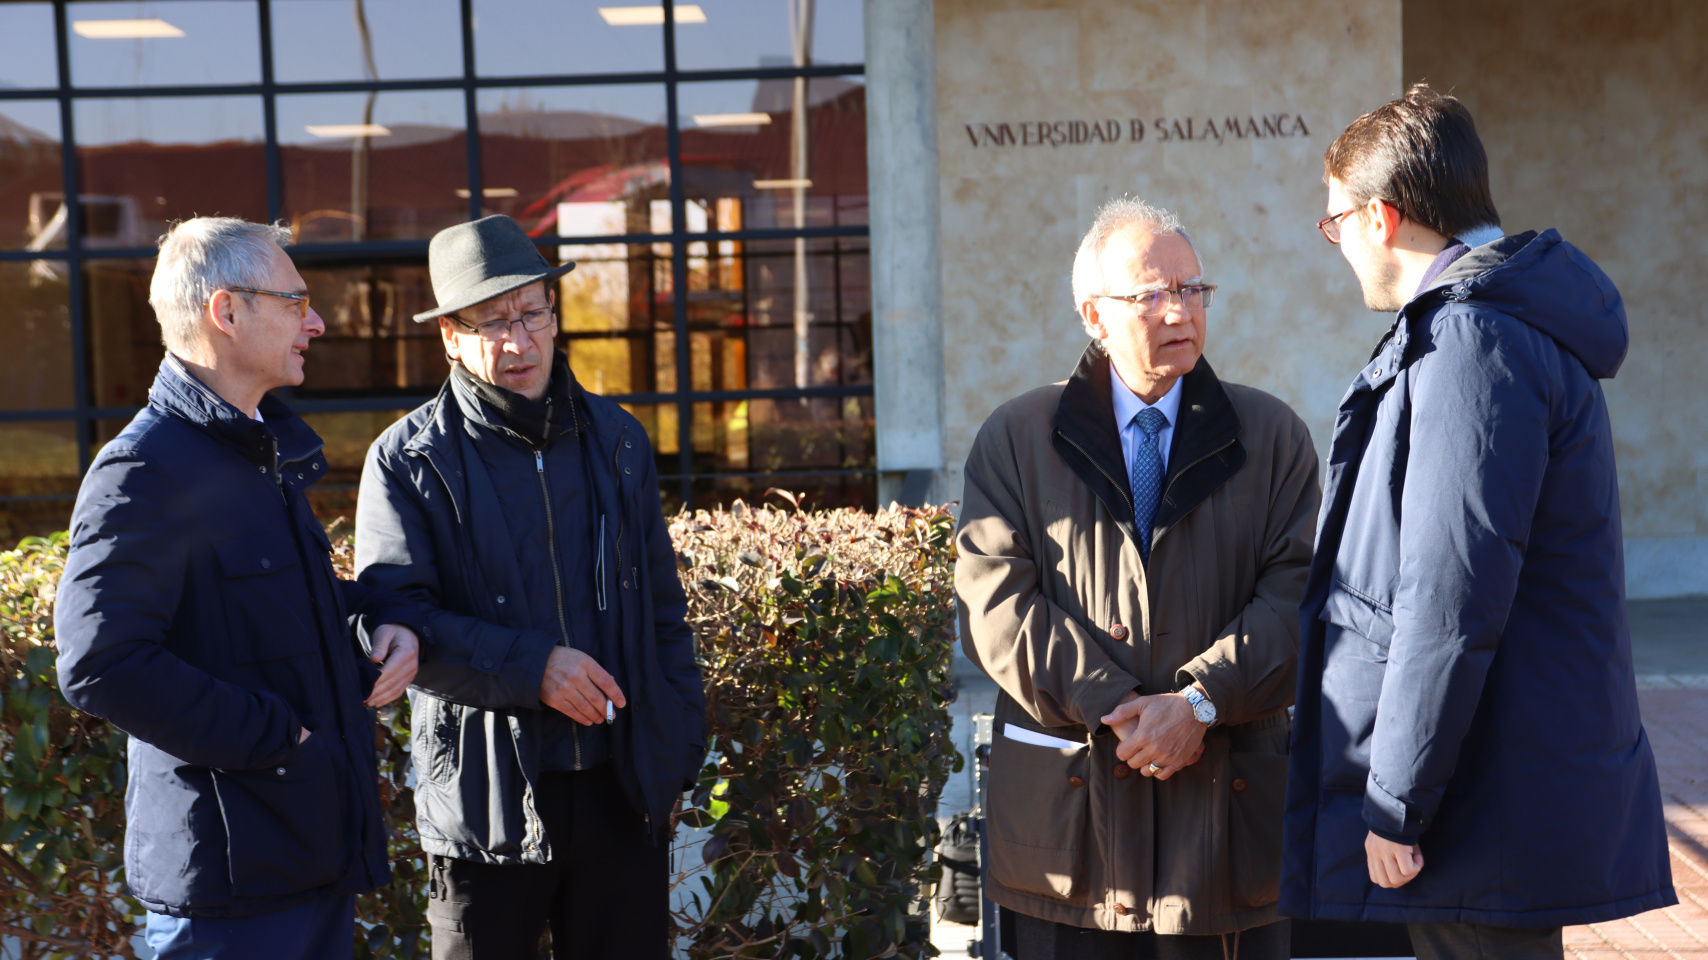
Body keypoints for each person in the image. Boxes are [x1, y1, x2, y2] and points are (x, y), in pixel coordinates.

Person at [1281, 84, 1676, 960]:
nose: (1335, 242)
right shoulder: (1496, 324)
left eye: (1334, 221)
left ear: (1380, 217)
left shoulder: (1472, 341)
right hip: (1489, 784)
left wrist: (1395, 799)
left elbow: (1451, 592)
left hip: (1473, 801)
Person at [955, 197, 1320, 960]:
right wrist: (1122, 709)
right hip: (1069, 835)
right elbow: (997, 609)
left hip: (1225, 834)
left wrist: (1198, 701)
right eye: (1152, 294)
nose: (1180, 310)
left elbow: (1299, 597)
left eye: (1193, 290)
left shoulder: (1272, 436)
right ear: (1094, 313)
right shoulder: (1018, 439)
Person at [54, 217, 426, 959]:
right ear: (226, 312)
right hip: (230, 896)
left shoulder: (259, 452)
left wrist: (385, 622)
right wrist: (281, 739)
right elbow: (101, 662)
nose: (315, 323)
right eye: (296, 302)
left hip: (306, 866)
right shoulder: (145, 470)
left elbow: (276, 616)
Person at [353, 215, 706, 960]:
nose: (518, 341)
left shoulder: (619, 441)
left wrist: (674, 751)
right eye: (490, 322)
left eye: (531, 312)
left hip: (620, 792)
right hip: (483, 807)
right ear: (449, 334)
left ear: (554, 311)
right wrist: (532, 667)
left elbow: (664, 616)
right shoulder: (406, 460)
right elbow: (397, 618)